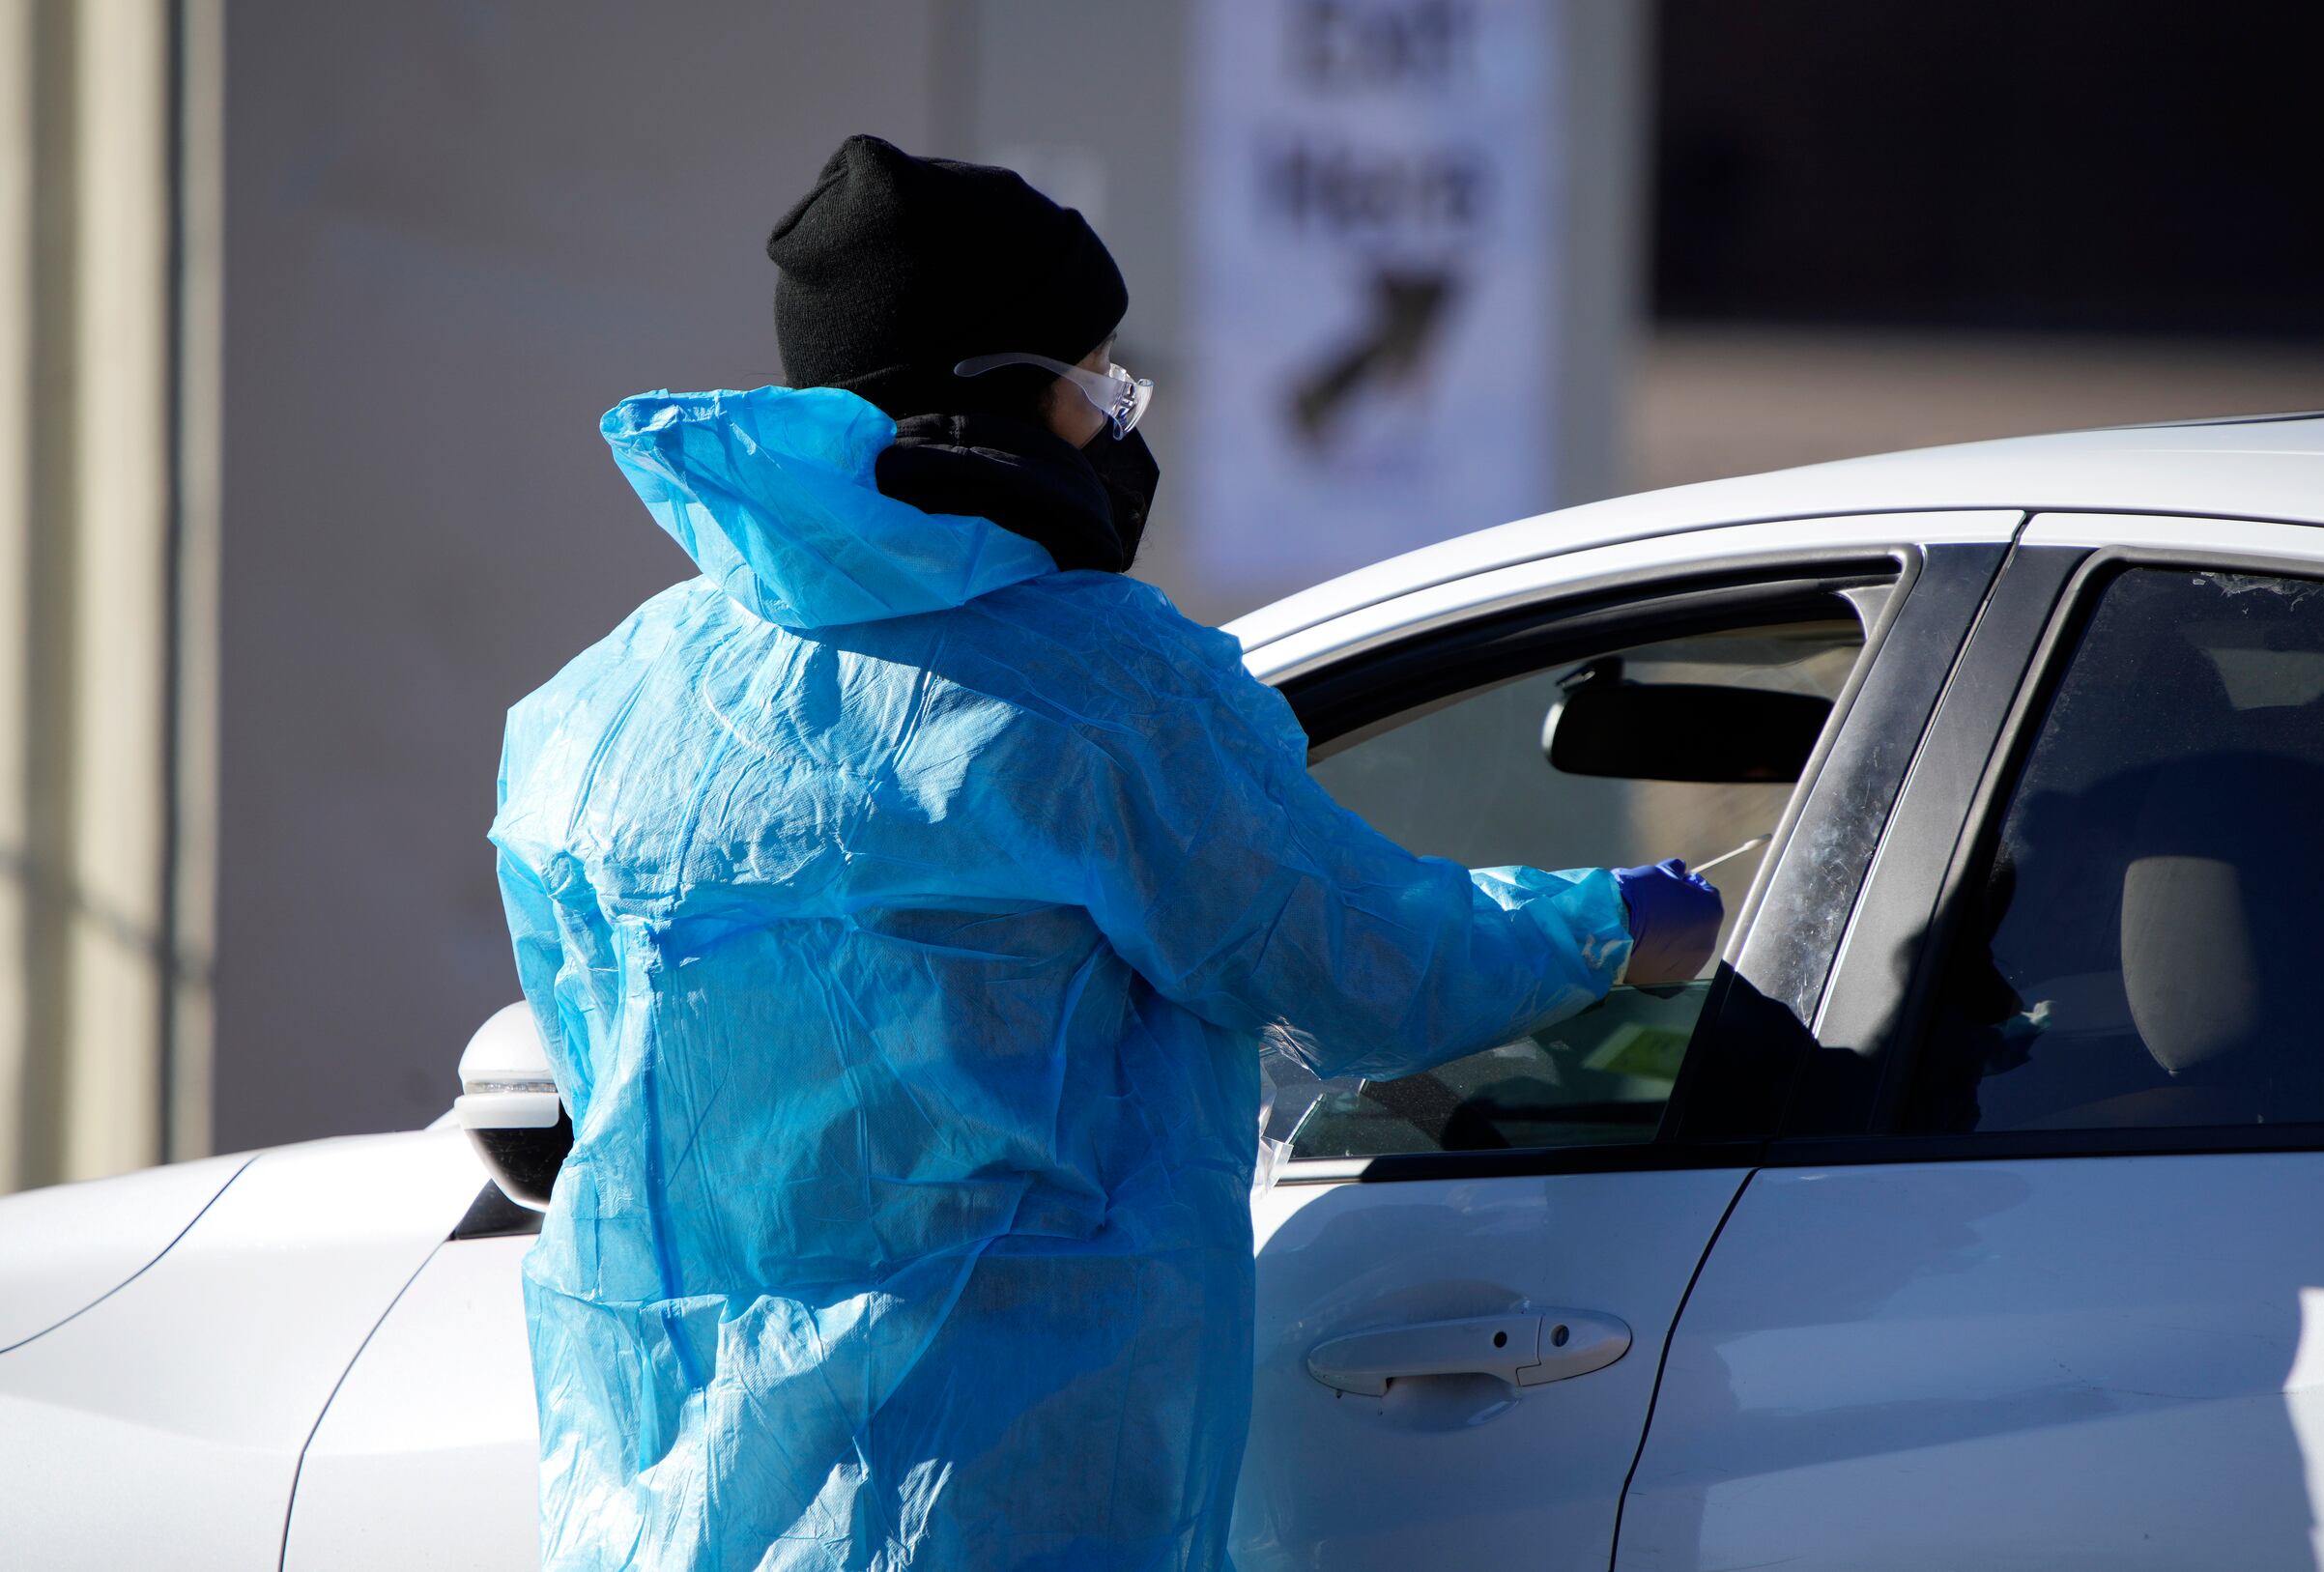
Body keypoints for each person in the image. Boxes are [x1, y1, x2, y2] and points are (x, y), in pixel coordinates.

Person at [491, 134, 1721, 1572]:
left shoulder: (602, 706)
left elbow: (593, 1062)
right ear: (993, 394)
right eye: (1096, 386)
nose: (1116, 428)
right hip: (999, 1494)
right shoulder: (1102, 691)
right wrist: (1612, 926)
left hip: (666, 1513)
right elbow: (1357, 962)